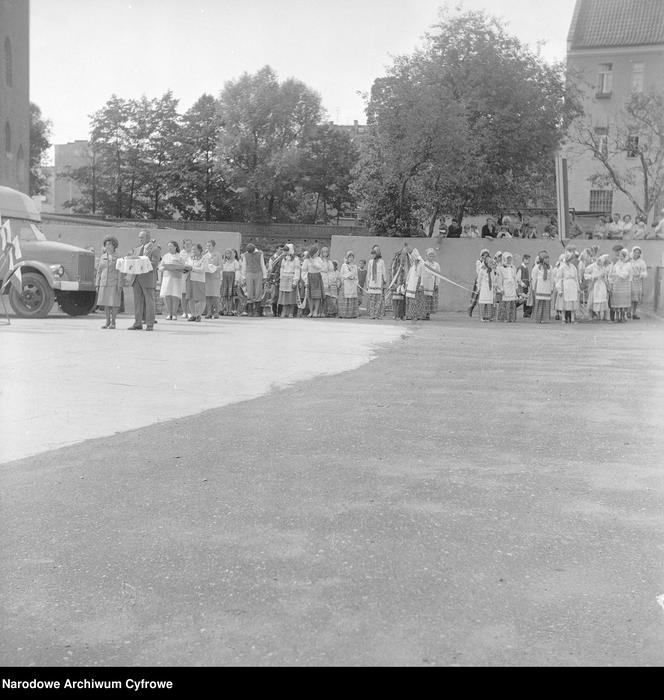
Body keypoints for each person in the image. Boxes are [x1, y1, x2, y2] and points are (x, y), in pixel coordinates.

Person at [128, 230, 161, 331]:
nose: (139, 239)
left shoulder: (154, 249)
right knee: (138, 302)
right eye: (139, 237)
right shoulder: (137, 249)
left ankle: (150, 324)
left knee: (149, 302)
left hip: (147, 278)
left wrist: (142, 262)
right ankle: (138, 323)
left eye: (141, 237)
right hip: (136, 278)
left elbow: (155, 264)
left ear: (147, 238)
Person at [96, 235, 123, 329]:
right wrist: (97, 283)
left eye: (110, 245)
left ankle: (113, 322)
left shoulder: (119, 257)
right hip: (104, 282)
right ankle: (107, 321)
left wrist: (120, 283)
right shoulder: (103, 256)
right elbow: (99, 271)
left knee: (114, 303)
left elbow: (120, 271)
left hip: (114, 282)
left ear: (114, 246)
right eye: (106, 245)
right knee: (106, 303)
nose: (107, 246)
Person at [159, 240, 186, 320]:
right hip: (167, 278)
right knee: (167, 295)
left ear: (175, 247)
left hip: (176, 278)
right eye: (168, 246)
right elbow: (160, 267)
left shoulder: (180, 256)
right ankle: (169, 313)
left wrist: (177, 267)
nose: (169, 248)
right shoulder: (165, 256)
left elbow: (183, 267)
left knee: (175, 296)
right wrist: (165, 267)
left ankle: (174, 314)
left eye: (171, 246)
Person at [240, 243, 267, 317]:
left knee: (258, 290)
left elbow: (262, 264)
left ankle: (257, 311)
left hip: (258, 272)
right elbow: (244, 266)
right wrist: (243, 277)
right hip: (249, 273)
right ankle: (250, 311)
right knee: (250, 291)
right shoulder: (245, 255)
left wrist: (265, 276)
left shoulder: (260, 254)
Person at [185, 243, 208, 322]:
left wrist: (192, 268)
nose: (193, 251)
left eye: (194, 249)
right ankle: (193, 315)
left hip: (199, 280)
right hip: (190, 279)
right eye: (192, 249)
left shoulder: (204, 258)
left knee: (200, 298)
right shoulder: (189, 258)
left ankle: (199, 314)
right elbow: (186, 266)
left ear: (199, 250)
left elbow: (202, 270)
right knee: (191, 297)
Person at [277, 244, 300, 318]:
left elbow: (297, 270)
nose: (285, 252)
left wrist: (295, 281)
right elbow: (281, 269)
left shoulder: (295, 259)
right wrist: (281, 278)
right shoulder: (283, 259)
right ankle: (284, 311)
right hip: (284, 278)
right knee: (284, 296)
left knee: (291, 296)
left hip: (291, 278)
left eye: (287, 250)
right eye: (285, 250)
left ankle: (291, 312)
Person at [609, 248, 633, 323]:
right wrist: (613, 277)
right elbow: (612, 272)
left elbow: (625, 275)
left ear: (625, 256)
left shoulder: (628, 264)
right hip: (617, 284)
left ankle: (623, 316)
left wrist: (617, 273)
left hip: (624, 285)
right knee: (617, 301)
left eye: (622, 255)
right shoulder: (617, 263)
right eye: (619, 255)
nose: (620, 257)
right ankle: (617, 317)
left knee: (623, 301)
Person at [584, 254, 610, 321]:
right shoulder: (592, 266)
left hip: (602, 285)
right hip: (594, 285)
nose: (601, 264)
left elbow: (605, 277)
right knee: (592, 300)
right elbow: (586, 275)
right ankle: (590, 315)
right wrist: (593, 277)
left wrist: (606, 283)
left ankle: (603, 315)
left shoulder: (603, 268)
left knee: (603, 299)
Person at [557, 251, 580, 324]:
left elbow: (576, 278)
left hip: (572, 286)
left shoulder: (573, 267)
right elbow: (559, 278)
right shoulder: (562, 267)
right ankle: (563, 318)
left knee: (572, 302)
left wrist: (577, 287)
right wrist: (559, 289)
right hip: (565, 285)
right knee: (564, 302)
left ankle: (572, 319)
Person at [302, 245, 325, 318]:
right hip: (309, 277)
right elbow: (304, 270)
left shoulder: (319, 259)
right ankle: (311, 311)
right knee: (310, 296)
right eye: (317, 251)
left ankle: (316, 311)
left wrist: (313, 262)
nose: (318, 253)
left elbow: (320, 267)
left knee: (317, 296)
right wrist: (306, 280)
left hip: (317, 277)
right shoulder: (306, 260)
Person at [495, 252, 518, 322]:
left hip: (512, 286)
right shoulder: (501, 268)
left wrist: (516, 287)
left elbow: (515, 278)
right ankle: (505, 318)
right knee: (505, 302)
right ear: (504, 259)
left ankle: (511, 318)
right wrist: (501, 288)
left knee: (512, 302)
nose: (509, 260)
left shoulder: (513, 267)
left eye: (510, 259)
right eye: (508, 259)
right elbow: (499, 279)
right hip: (505, 286)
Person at [366, 245, 387, 319]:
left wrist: (385, 281)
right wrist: (368, 282)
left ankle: (378, 314)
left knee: (379, 300)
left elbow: (383, 272)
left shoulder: (382, 261)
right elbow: (369, 273)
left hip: (379, 282)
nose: (376, 252)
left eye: (377, 250)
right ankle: (372, 314)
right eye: (374, 251)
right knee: (372, 300)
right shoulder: (370, 262)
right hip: (372, 282)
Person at [532, 251, 553, 324]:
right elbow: (534, 278)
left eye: (548, 258)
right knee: (539, 302)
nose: (547, 260)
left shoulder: (550, 267)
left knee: (546, 303)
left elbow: (551, 278)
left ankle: (545, 319)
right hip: (540, 286)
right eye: (546, 258)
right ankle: (538, 318)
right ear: (542, 259)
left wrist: (551, 287)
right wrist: (533, 288)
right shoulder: (537, 267)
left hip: (547, 286)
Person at [405, 248, 426, 321]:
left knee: (417, 300)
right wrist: (407, 283)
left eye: (414, 257)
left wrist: (421, 284)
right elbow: (409, 274)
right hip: (411, 284)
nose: (413, 258)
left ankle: (417, 315)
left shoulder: (422, 264)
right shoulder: (413, 266)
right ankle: (410, 315)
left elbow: (423, 274)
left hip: (417, 284)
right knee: (411, 300)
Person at [203, 240, 222, 319]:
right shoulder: (205, 255)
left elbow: (221, 266)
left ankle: (216, 312)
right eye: (207, 246)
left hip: (215, 277)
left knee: (215, 295)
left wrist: (214, 268)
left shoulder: (218, 255)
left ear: (213, 246)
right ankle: (209, 312)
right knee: (208, 295)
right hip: (207, 277)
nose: (208, 247)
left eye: (210, 245)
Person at [469, 249, 490, 317]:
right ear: (482, 255)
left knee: (485, 297)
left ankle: (484, 313)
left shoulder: (488, 261)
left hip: (487, 281)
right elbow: (478, 270)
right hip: (479, 280)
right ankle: (470, 308)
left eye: (487, 255)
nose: (485, 256)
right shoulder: (479, 262)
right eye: (484, 254)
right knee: (476, 296)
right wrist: (483, 264)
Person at [339, 251, 360, 319]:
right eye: (349, 257)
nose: (350, 258)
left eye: (352, 257)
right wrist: (346, 276)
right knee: (346, 299)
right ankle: (344, 314)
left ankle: (352, 314)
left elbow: (356, 276)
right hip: (346, 284)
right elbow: (341, 275)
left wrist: (355, 279)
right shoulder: (344, 265)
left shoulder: (355, 266)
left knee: (352, 298)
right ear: (347, 258)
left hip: (352, 284)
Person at [220, 248, 240, 316]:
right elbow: (221, 270)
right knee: (225, 295)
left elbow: (237, 271)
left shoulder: (235, 262)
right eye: (226, 253)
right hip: (225, 278)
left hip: (231, 278)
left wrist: (236, 280)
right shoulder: (223, 261)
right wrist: (221, 279)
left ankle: (230, 310)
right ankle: (225, 309)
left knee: (230, 296)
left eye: (229, 253)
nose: (227, 255)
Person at [267, 244, 285, 318]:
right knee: (274, 296)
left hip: (282, 278)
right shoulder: (272, 258)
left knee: (281, 296)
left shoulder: (284, 257)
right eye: (280, 249)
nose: (281, 251)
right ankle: (274, 312)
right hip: (275, 278)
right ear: (277, 249)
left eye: (282, 249)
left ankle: (280, 312)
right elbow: (270, 269)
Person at [422, 248, 440, 320]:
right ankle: (423, 313)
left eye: (432, 255)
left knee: (430, 299)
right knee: (424, 299)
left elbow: (438, 275)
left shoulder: (436, 265)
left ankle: (428, 314)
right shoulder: (424, 264)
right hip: (425, 284)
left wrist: (437, 284)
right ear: (426, 256)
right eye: (429, 255)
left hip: (432, 284)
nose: (431, 257)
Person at [630, 246, 647, 320]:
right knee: (630, 297)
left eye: (638, 252)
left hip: (638, 280)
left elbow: (644, 271)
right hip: (630, 280)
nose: (636, 254)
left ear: (640, 253)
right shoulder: (629, 261)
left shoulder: (642, 262)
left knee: (636, 298)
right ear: (632, 252)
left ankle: (634, 313)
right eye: (635, 252)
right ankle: (628, 312)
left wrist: (641, 275)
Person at [476, 255, 496, 322]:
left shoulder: (492, 270)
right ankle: (482, 317)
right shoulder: (482, 270)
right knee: (483, 301)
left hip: (490, 288)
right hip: (484, 287)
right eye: (489, 262)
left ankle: (489, 317)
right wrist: (478, 288)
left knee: (489, 302)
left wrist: (494, 287)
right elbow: (479, 279)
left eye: (491, 262)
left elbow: (493, 279)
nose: (490, 263)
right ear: (486, 262)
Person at [179, 238, 193, 318]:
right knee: (183, 294)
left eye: (189, 244)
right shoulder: (181, 253)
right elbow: (180, 263)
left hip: (191, 275)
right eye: (186, 244)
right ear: (183, 245)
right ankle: (184, 312)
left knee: (190, 294)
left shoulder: (193, 253)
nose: (188, 245)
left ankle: (190, 311)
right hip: (183, 275)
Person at [320, 246, 335, 317]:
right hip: (320, 277)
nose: (325, 253)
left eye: (326, 251)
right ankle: (319, 311)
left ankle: (324, 311)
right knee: (319, 296)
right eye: (323, 251)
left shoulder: (329, 262)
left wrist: (330, 281)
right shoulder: (319, 261)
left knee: (326, 296)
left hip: (326, 278)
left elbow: (331, 272)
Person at [516, 253, 532, 318]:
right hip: (521, 287)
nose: (529, 261)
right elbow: (518, 278)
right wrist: (523, 284)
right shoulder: (520, 268)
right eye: (527, 259)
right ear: (524, 259)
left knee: (526, 300)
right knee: (520, 300)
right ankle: (513, 307)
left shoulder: (526, 268)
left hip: (526, 287)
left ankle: (526, 313)